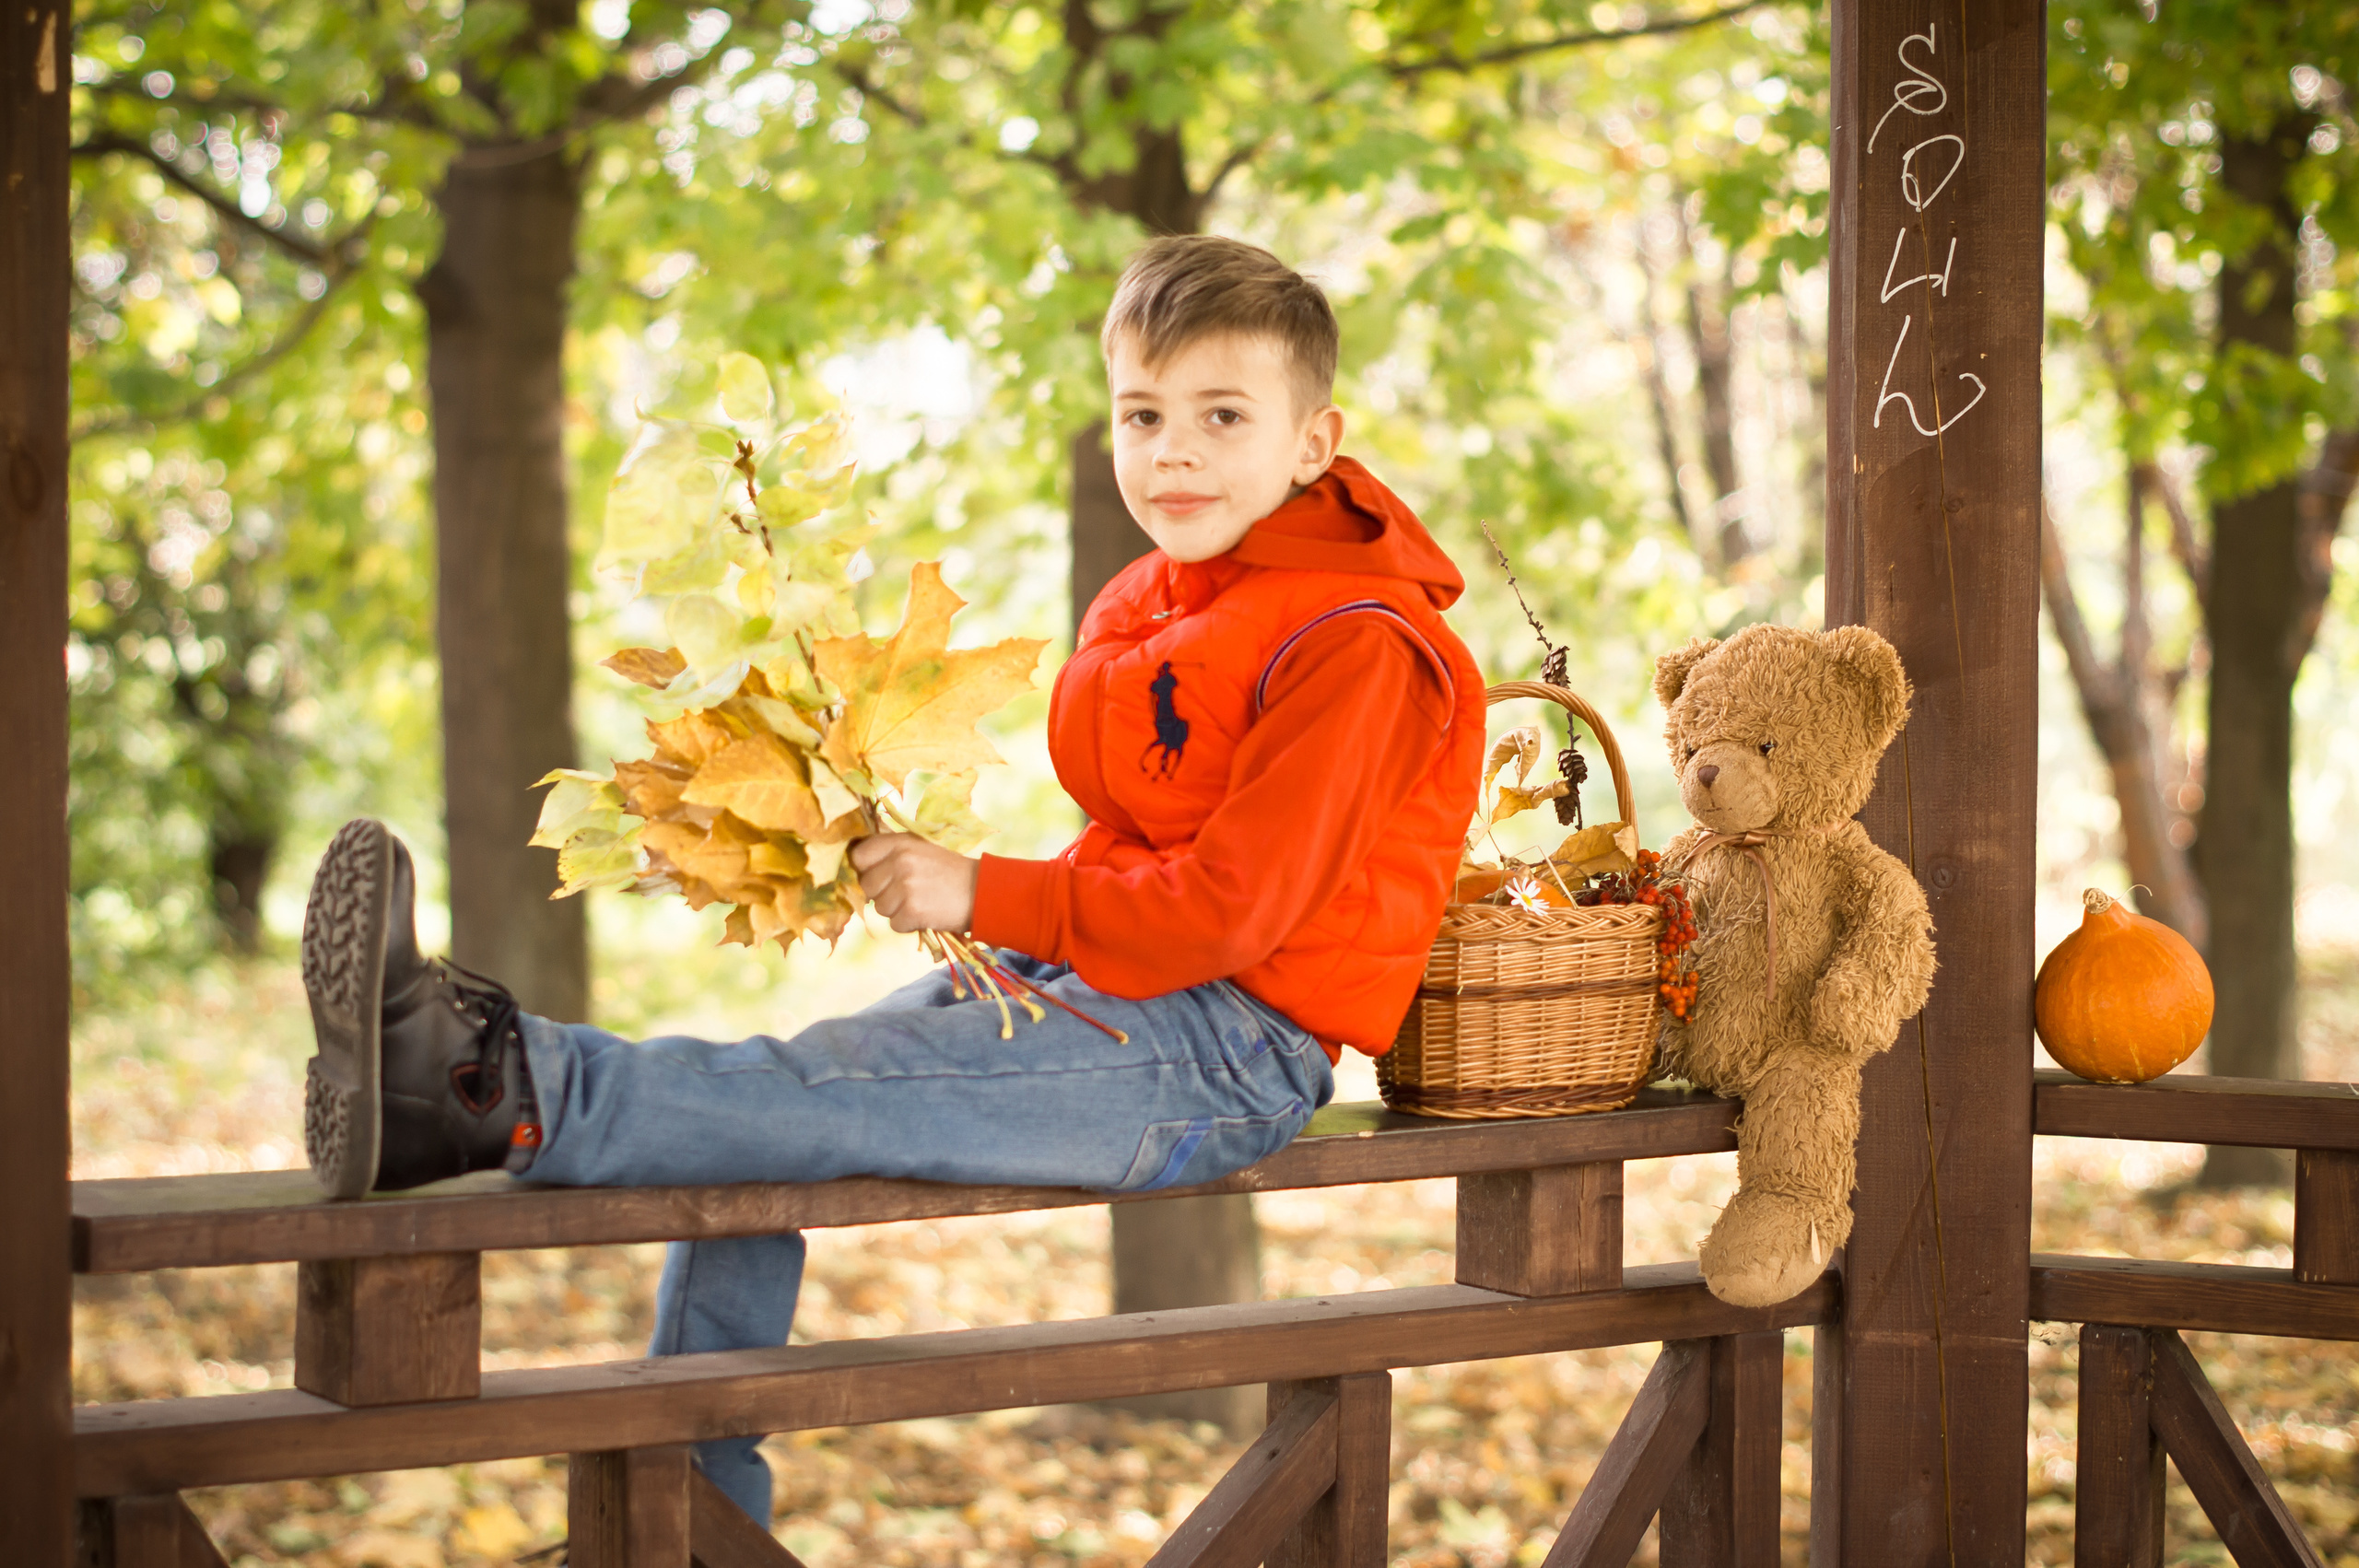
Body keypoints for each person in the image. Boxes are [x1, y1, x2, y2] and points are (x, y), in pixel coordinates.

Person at [296, 234, 1485, 1524]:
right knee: (785, 1100)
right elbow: (1146, 850)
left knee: (823, 1094)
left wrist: (985, 892)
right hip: (1102, 980)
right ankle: (691, 1518)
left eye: (1222, 415)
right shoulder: (1165, 599)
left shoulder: (1362, 646)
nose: (1174, 450)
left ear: (1314, 442)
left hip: (1226, 1049)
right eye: (1143, 413)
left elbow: (1232, 908)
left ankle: (487, 1084)